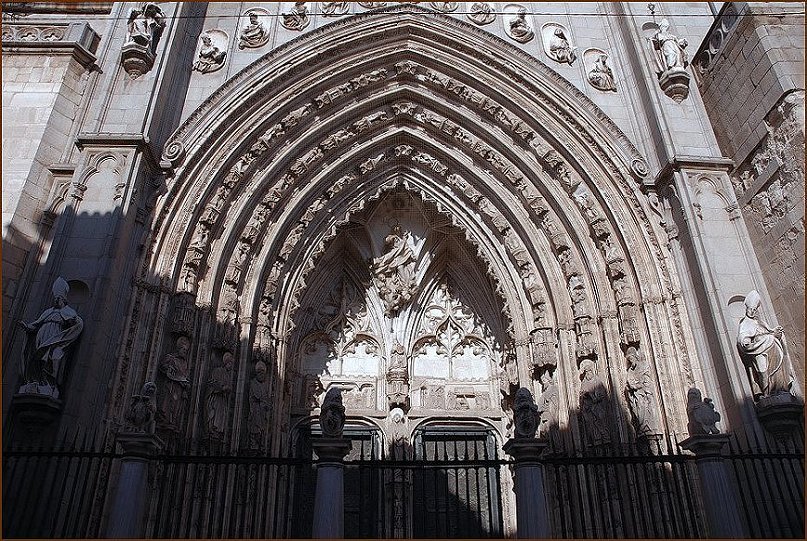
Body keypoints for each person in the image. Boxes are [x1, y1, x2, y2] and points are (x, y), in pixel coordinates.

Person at [18, 277, 84, 397]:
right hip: (42, 336)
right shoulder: (48, 312)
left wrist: (73, 320)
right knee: (36, 359)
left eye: (59, 298)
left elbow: (74, 323)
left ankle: (48, 383)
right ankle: (35, 381)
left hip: (55, 337)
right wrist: (26, 327)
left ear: (64, 300)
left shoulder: (68, 312)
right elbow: (36, 325)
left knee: (52, 358)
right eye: (55, 298)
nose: (56, 300)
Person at [736, 290, 795, 399]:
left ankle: (779, 389)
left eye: (754, 309)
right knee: (762, 371)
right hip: (758, 351)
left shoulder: (760, 322)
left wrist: (775, 332)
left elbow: (768, 331)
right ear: (746, 309)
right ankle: (766, 394)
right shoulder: (745, 323)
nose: (752, 312)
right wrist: (751, 341)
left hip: (771, 349)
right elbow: (743, 340)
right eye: (750, 309)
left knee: (776, 369)